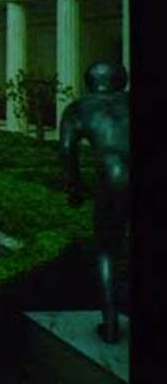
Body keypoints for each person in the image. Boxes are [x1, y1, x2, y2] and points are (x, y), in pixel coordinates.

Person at [58, 60, 130, 344]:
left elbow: (66, 150)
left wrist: (75, 188)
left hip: (115, 177)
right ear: (122, 80)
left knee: (106, 250)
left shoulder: (79, 108)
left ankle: (110, 325)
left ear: (89, 82)